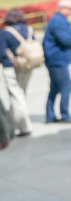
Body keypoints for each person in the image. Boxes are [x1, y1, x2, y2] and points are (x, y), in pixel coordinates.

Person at [42, 0, 71, 123]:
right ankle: (64, 114)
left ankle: (50, 115)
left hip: (55, 58)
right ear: (62, 8)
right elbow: (65, 40)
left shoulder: (58, 20)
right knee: (66, 86)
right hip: (57, 59)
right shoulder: (58, 21)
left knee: (55, 88)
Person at [0, 8, 34, 136]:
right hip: (27, 66)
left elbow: (1, 52)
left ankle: (24, 126)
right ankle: (13, 123)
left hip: (11, 67)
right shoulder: (29, 29)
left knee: (16, 96)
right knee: (21, 94)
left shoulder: (5, 33)